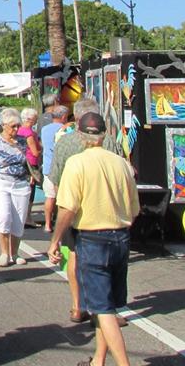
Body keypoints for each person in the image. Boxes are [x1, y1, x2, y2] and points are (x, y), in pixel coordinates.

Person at [48, 112, 139, 366]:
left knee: (102, 309)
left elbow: (67, 209)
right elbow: (135, 209)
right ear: (104, 135)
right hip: (120, 236)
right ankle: (98, 360)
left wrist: (55, 240)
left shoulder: (76, 163)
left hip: (92, 238)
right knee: (106, 305)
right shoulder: (121, 163)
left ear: (80, 135)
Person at [46, 97, 127, 325]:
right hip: (104, 208)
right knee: (104, 262)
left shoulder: (64, 141)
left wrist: (60, 207)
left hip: (71, 207)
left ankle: (77, 306)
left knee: (74, 255)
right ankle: (104, 310)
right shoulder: (108, 141)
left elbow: (55, 178)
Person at [0, 108, 30, 266]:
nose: (16, 129)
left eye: (18, 126)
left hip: (20, 183)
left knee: (19, 220)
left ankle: (14, 253)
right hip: (0, 182)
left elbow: (30, 159)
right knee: (3, 215)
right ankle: (4, 253)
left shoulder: (22, 141)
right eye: (13, 126)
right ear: (3, 125)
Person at [40, 104, 69, 232]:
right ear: (63, 117)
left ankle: (47, 224)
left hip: (48, 166)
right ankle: (61, 222)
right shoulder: (65, 129)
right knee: (63, 197)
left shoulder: (44, 129)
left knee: (49, 196)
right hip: (62, 166)